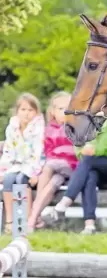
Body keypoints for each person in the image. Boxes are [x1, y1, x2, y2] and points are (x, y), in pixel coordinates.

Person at [47, 112, 107, 234]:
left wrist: (91, 149)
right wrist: (84, 151)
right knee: (90, 176)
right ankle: (90, 225)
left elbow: (104, 146)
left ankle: (64, 202)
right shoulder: (83, 120)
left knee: (87, 162)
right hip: (91, 165)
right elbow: (78, 146)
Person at [28, 91, 78, 232]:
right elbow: (47, 151)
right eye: (61, 109)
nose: (65, 112)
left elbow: (76, 150)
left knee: (49, 166)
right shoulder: (49, 129)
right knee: (53, 183)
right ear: (53, 112)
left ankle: (33, 213)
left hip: (71, 165)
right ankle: (34, 219)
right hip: (56, 170)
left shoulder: (76, 127)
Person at [0, 93, 44, 234]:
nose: (26, 114)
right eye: (23, 110)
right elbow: (8, 151)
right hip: (15, 164)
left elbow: (39, 153)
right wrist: (2, 170)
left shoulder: (39, 129)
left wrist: (35, 173)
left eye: (30, 110)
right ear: (17, 111)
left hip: (32, 166)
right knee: (8, 179)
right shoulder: (12, 128)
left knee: (21, 180)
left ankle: (24, 220)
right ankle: (10, 220)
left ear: (36, 112)